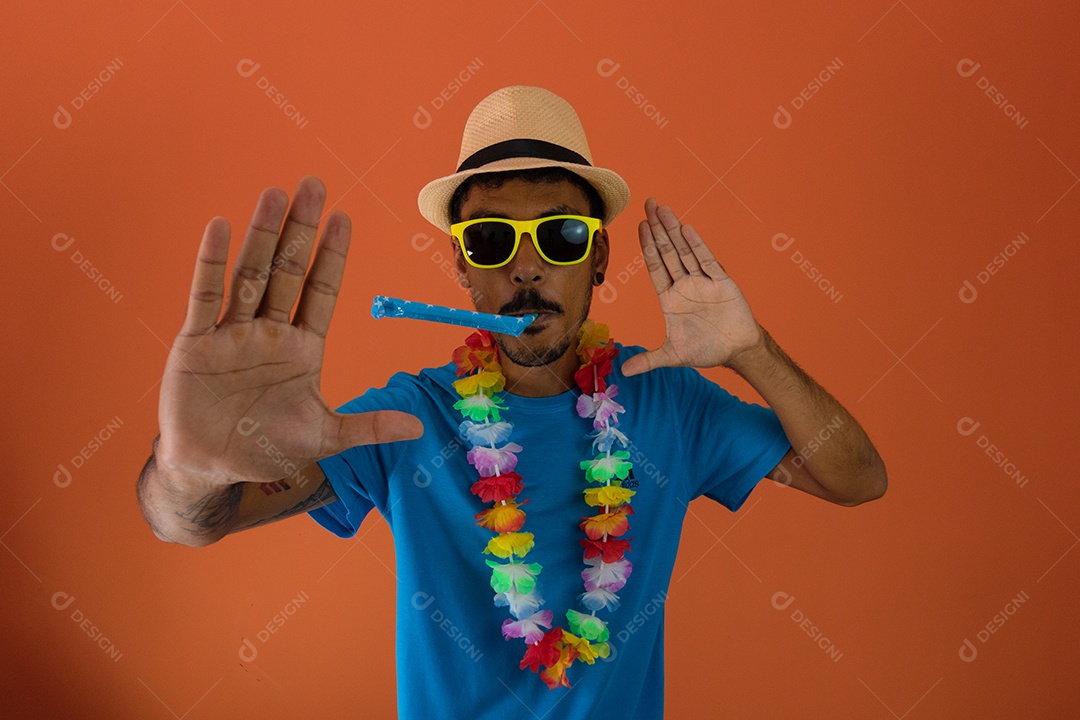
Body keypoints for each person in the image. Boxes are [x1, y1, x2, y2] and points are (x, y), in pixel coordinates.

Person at [137, 86, 886, 718]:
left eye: (560, 235)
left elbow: (857, 479)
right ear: (464, 265)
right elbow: (195, 524)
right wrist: (189, 465)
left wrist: (750, 351)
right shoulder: (407, 417)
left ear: (597, 255)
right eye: (493, 239)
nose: (526, 267)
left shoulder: (668, 400)